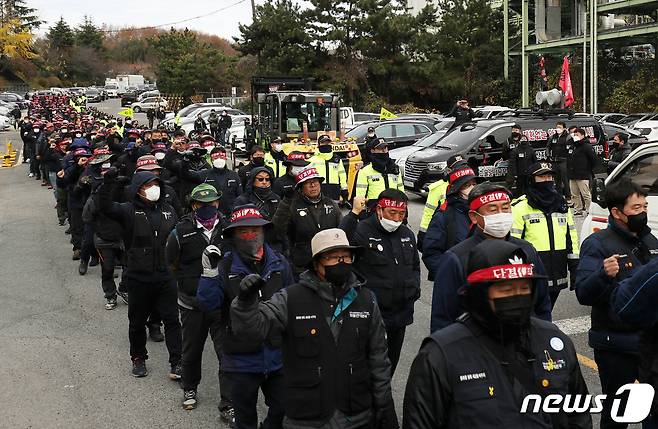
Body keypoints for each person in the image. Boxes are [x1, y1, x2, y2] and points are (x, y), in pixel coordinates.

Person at [404, 240, 591, 429]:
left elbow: (579, 416)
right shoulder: (440, 355)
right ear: (480, 294)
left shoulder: (554, 341)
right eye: (506, 289)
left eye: (523, 288)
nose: (517, 297)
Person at [229, 228, 399, 429]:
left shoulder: (367, 300)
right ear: (317, 263)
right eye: (333, 257)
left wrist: (384, 403)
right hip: (306, 418)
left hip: (356, 417)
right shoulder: (290, 298)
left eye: (345, 256)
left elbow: (379, 358)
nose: (341, 262)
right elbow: (252, 329)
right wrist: (245, 303)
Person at [197, 205, 293, 429]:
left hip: (278, 355)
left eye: (254, 230)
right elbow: (207, 304)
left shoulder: (280, 263)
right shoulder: (224, 266)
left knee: (285, 409)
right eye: (243, 232)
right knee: (244, 419)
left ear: (263, 232)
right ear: (234, 236)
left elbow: (294, 302)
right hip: (240, 360)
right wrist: (209, 274)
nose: (250, 236)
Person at [575, 178, 657, 429]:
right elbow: (583, 294)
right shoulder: (597, 244)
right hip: (616, 345)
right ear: (617, 212)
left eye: (644, 207)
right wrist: (602, 274)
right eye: (636, 209)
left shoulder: (651, 241)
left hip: (650, 346)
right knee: (619, 411)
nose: (642, 213)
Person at [430, 182, 552, 332]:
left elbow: (542, 303)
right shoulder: (456, 258)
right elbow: (442, 318)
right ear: (474, 217)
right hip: (476, 346)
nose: (501, 214)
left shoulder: (526, 250)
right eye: (493, 209)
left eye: (505, 208)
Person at [99, 167, 183, 379]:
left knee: (172, 321)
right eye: (147, 185)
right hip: (138, 276)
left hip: (165, 277)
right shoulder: (127, 210)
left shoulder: (169, 210)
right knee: (137, 322)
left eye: (155, 184)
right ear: (138, 189)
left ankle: (177, 362)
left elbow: (178, 238)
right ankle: (138, 358)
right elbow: (105, 207)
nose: (152, 189)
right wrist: (108, 183)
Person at [165, 184, 233, 414]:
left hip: (221, 304)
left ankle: (228, 402)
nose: (208, 207)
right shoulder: (180, 230)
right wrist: (189, 284)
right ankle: (190, 388)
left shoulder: (228, 227)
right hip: (192, 303)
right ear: (194, 205)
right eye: (203, 204)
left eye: (212, 203)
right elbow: (171, 262)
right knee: (191, 351)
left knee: (226, 353)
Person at [342, 189, 420, 375]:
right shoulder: (362, 230)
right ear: (379, 210)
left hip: (400, 315)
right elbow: (340, 241)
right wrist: (353, 214)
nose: (396, 218)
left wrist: (414, 291)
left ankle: (382, 399)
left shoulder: (407, 235)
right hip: (372, 316)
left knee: (389, 365)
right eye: (392, 212)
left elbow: (415, 268)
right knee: (367, 368)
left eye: (401, 214)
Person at [511, 162, 579, 308]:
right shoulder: (520, 207)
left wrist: (574, 267)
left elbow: (571, 237)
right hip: (532, 275)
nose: (547, 180)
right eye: (542, 177)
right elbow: (513, 244)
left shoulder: (561, 205)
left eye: (550, 176)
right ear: (531, 180)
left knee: (546, 314)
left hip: (557, 272)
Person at [272, 166, 342, 276]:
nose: (313, 185)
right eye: (307, 183)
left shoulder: (332, 204)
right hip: (302, 265)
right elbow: (277, 230)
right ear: (300, 188)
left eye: (315, 182)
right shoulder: (292, 206)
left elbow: (341, 231)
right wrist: (286, 202)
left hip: (329, 261)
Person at [422, 164, 477, 280]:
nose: (472, 188)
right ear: (457, 190)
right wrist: (449, 278)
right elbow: (431, 254)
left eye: (474, 184)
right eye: (466, 185)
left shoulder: (482, 210)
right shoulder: (443, 215)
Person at [418, 155, 465, 251]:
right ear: (449, 170)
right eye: (458, 168)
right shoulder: (438, 188)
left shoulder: (472, 185)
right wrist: (423, 234)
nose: (462, 170)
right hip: (446, 233)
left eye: (464, 167)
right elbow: (429, 213)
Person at [181, 146, 242, 218]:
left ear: (225, 158)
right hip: (210, 214)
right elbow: (186, 174)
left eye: (221, 157)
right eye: (216, 158)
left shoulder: (234, 175)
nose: (219, 160)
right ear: (211, 159)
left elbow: (240, 195)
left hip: (230, 214)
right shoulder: (204, 174)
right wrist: (185, 161)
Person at [353, 138, 404, 207]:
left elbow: (401, 190)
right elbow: (360, 195)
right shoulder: (364, 171)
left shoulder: (395, 168)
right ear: (372, 151)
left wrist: (403, 206)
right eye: (380, 148)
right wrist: (362, 212)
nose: (384, 150)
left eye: (385, 148)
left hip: (393, 209)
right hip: (374, 210)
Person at [308, 135, 349, 203]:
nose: (326, 144)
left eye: (328, 142)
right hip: (318, 190)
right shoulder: (311, 160)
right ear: (318, 144)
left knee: (334, 212)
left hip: (334, 190)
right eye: (323, 143)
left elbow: (342, 175)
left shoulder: (337, 159)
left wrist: (344, 189)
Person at [568, 128, 598, 216]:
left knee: (585, 194)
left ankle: (589, 209)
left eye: (577, 135)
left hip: (583, 174)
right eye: (574, 135)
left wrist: (587, 169)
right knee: (574, 194)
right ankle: (578, 209)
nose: (575, 137)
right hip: (572, 174)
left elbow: (594, 160)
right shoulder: (573, 146)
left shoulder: (587, 146)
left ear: (582, 135)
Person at [506, 131, 536, 198]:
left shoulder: (531, 150)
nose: (523, 140)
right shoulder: (515, 151)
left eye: (525, 139)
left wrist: (534, 171)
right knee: (520, 189)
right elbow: (513, 163)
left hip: (529, 174)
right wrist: (515, 173)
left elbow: (535, 161)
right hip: (520, 174)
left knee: (530, 188)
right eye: (522, 139)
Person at [546, 121, 571, 199]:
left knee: (565, 180)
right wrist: (548, 155)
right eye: (557, 127)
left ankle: (568, 197)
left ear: (564, 128)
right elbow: (548, 147)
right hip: (554, 161)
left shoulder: (568, 137)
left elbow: (570, 149)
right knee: (557, 181)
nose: (558, 129)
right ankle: (559, 197)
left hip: (564, 161)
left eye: (560, 127)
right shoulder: (553, 137)